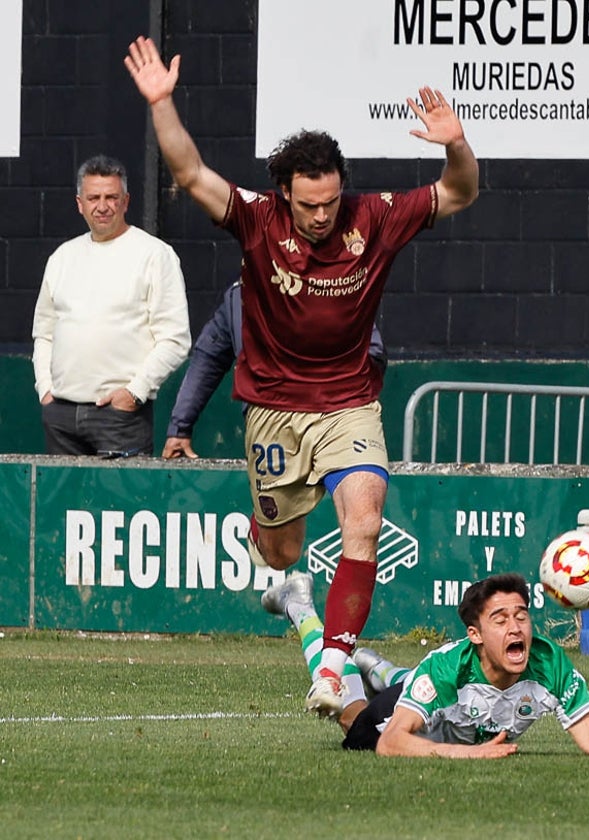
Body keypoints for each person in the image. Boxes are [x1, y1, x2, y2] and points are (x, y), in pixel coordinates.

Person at [125, 35, 479, 716]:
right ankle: (293, 596)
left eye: (329, 202)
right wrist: (162, 105)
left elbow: (458, 192)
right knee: (282, 551)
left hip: (348, 403)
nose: (320, 216)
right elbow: (193, 173)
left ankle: (334, 667)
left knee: (365, 525)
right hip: (274, 410)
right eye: (307, 205)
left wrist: (455, 145)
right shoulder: (258, 221)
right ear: (283, 192)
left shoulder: (373, 217)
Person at [261, 571, 589, 759]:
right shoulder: (449, 667)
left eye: (521, 615)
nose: (515, 626)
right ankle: (300, 604)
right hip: (413, 720)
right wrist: (470, 755)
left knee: (426, 689)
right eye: (500, 619)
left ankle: (380, 668)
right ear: (475, 634)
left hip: (433, 694)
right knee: (348, 714)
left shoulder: (549, 661)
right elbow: (391, 744)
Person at [32, 154, 191, 456]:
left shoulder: (155, 255)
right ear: (80, 203)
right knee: (61, 503)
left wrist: (133, 393)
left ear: (126, 201)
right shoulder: (62, 257)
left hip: (120, 419)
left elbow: (175, 339)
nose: (102, 206)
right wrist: (46, 390)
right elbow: (45, 332)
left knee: (122, 502)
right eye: (93, 197)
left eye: (111, 197)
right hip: (61, 417)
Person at [161, 281, 386, 459]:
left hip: (331, 429)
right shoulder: (240, 293)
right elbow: (209, 357)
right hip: (269, 435)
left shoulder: (331, 285)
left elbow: (373, 355)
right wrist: (180, 427)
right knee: (272, 514)